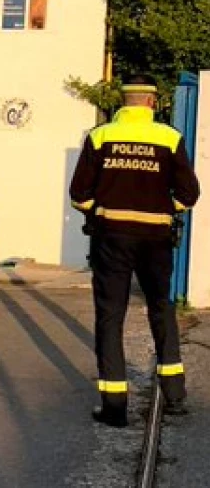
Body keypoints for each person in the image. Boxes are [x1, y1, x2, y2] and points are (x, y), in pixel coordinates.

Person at [69, 74, 200, 428]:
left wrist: (103, 209)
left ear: (123, 103)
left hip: (111, 237)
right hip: (156, 240)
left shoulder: (100, 137)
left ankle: (114, 406)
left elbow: (79, 194)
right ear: (153, 103)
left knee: (111, 316)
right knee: (160, 309)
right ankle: (174, 397)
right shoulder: (169, 138)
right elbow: (189, 194)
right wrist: (163, 209)